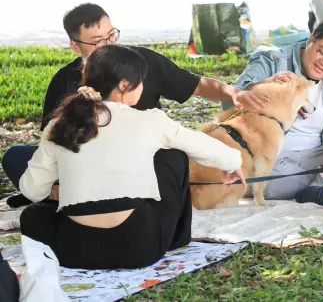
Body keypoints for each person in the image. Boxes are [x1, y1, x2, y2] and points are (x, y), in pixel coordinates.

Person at [19, 45, 244, 270]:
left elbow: (31, 190)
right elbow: (203, 146)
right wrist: (234, 163)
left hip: (75, 251)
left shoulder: (58, 125)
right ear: (124, 84)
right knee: (173, 156)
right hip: (140, 248)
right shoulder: (151, 121)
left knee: (32, 215)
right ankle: (176, 239)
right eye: (141, 81)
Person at [1, 3, 242, 206]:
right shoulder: (64, 81)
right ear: (75, 46)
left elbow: (194, 84)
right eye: (97, 41)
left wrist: (233, 93)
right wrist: (56, 184)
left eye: (111, 35)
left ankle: (54, 200)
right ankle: (58, 194)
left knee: (172, 158)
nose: (108, 45)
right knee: (17, 156)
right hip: (86, 165)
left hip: (137, 163)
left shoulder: (141, 63)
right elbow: (53, 142)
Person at [226, 19, 323, 205]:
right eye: (322, 52)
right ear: (310, 40)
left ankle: (315, 184)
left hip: (315, 155)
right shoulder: (272, 61)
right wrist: (267, 86)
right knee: (267, 183)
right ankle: (318, 184)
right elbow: (230, 101)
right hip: (272, 155)